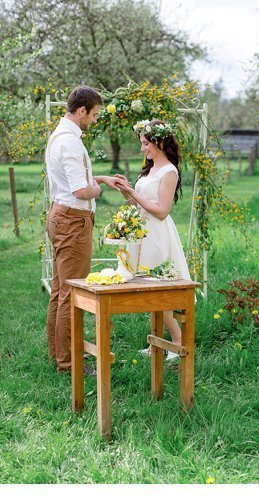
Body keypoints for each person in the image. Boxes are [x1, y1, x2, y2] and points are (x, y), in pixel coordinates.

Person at [46, 85, 127, 373]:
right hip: (72, 222)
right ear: (81, 111)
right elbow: (80, 190)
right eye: (93, 114)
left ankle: (58, 355)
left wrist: (100, 179)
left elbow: (74, 181)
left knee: (59, 290)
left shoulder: (62, 135)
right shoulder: (69, 142)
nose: (94, 120)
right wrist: (97, 189)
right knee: (72, 293)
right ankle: (69, 364)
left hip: (61, 215)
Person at [116, 119, 191, 361]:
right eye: (141, 144)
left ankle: (178, 342)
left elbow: (161, 211)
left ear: (159, 142)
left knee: (159, 290)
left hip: (157, 235)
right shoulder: (149, 170)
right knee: (147, 290)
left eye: (146, 143)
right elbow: (137, 205)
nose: (143, 149)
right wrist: (127, 192)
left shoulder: (169, 171)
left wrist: (135, 194)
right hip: (141, 234)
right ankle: (156, 342)